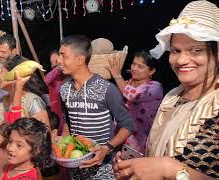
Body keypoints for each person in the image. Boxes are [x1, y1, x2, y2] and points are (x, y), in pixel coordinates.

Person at [114, 1, 219, 179]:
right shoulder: (172, 96)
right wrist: (138, 167)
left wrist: (169, 169)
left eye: (195, 50)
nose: (181, 60)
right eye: (176, 50)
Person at [57, 35, 134, 179]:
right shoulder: (64, 89)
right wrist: (63, 146)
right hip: (76, 168)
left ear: (80, 59)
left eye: (63, 56)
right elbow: (68, 121)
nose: (58, 60)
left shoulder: (106, 89)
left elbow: (128, 125)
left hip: (102, 168)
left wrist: (107, 148)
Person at [108, 50, 163, 154]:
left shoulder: (155, 87)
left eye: (140, 66)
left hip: (139, 140)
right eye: (133, 64)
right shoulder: (127, 83)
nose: (134, 68)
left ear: (151, 71)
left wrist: (117, 75)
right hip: (119, 135)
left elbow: (133, 96)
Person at [44, 50, 67, 135]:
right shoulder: (53, 76)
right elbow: (46, 80)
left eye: (57, 61)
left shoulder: (69, 75)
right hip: (57, 112)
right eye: (52, 63)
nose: (54, 64)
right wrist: (57, 68)